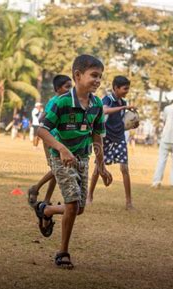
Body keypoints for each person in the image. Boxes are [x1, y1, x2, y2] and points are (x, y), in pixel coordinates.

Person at [34, 55, 112, 269]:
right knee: (71, 203)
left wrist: (101, 165)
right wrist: (60, 149)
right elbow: (41, 129)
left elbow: (97, 135)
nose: (97, 80)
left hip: (82, 158)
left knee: (78, 208)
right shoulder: (62, 102)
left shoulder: (96, 104)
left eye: (100, 77)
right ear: (77, 76)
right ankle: (62, 252)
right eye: (93, 75)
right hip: (61, 159)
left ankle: (46, 210)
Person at [87, 75, 137, 210]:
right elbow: (105, 110)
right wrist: (124, 107)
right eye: (124, 89)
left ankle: (128, 202)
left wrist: (133, 123)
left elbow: (122, 121)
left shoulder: (122, 102)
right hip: (106, 138)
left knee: (124, 168)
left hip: (119, 138)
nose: (126, 91)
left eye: (128, 89)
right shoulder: (108, 99)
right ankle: (89, 196)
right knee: (98, 168)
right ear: (116, 88)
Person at [28, 74, 72, 206]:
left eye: (71, 87)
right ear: (57, 89)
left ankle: (46, 199)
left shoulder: (67, 101)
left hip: (61, 141)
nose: (69, 90)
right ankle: (35, 188)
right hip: (51, 140)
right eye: (66, 87)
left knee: (56, 171)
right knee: (56, 170)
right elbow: (43, 119)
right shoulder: (54, 101)